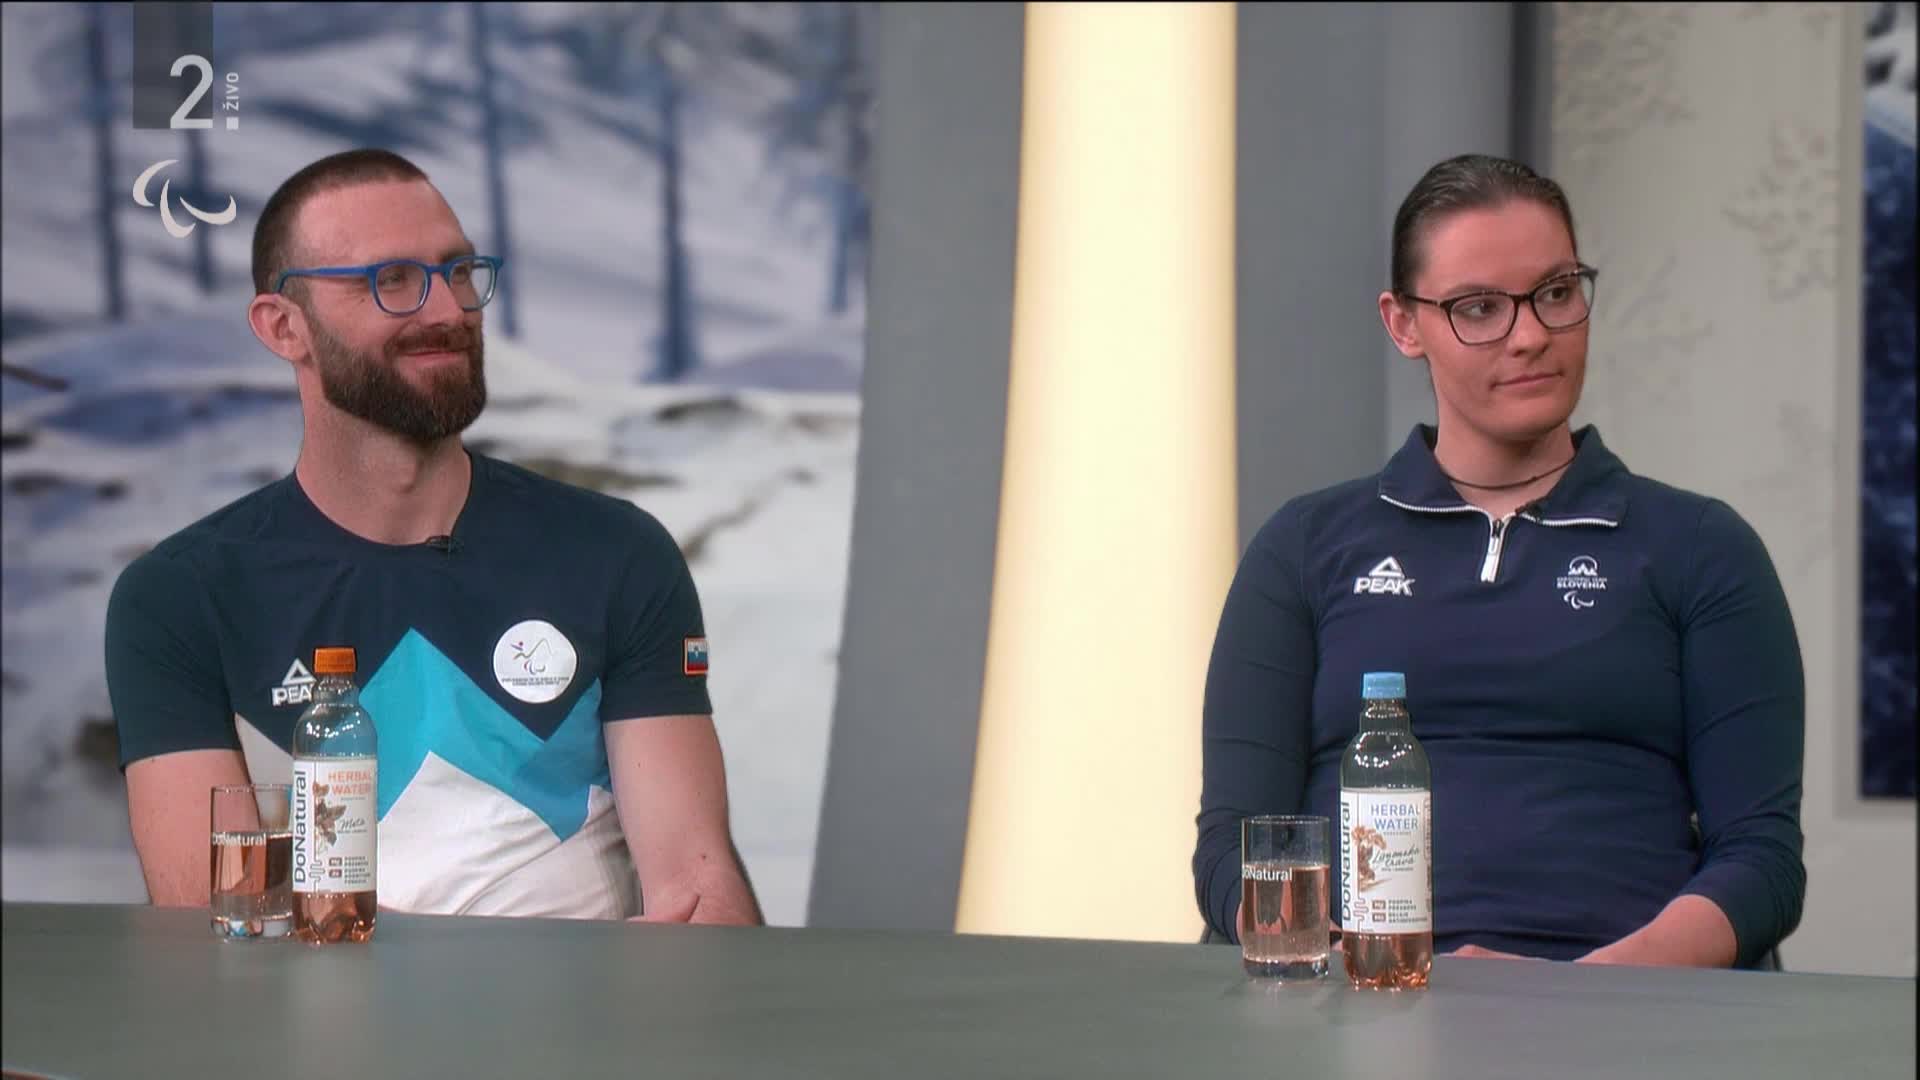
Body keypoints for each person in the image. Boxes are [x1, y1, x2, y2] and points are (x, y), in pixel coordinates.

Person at [106, 148, 761, 926]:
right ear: (284, 327)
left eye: (457, 272)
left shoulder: (617, 553)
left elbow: (697, 887)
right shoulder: (180, 598)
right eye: (391, 280)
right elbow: (214, 928)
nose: (448, 310)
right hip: (318, 1009)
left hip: (588, 1007)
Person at [1193, 153, 1805, 968]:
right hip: (1351, 1001)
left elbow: (1762, 864)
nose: (1531, 335)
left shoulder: (1700, 547)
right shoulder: (1304, 547)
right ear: (1404, 325)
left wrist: (1575, 996)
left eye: (1556, 292)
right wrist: (1360, 975)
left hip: (1622, 1012)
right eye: (1479, 307)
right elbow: (1235, 851)